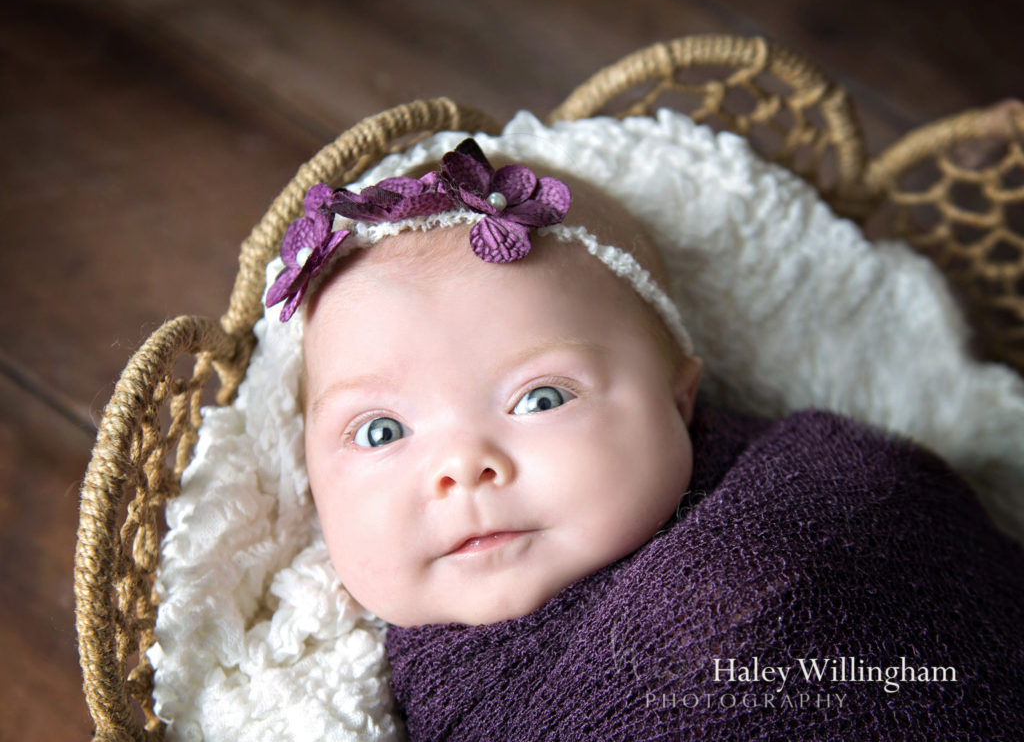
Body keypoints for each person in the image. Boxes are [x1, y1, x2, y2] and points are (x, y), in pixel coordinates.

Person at [265, 138, 1024, 740]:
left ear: (680, 400)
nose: (463, 467)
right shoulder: (397, 689)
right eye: (381, 429)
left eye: (540, 396)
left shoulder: (822, 488)